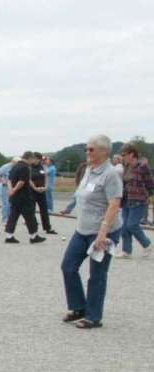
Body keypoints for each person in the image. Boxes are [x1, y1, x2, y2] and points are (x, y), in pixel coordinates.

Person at [61, 135, 123, 328]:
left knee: (97, 274)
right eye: (87, 149)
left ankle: (93, 316)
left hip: (103, 231)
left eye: (91, 149)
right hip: (83, 229)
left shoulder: (111, 174)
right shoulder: (89, 169)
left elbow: (114, 204)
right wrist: (70, 208)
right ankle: (79, 306)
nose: (87, 152)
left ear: (104, 151)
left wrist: (103, 232)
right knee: (68, 266)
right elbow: (81, 194)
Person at [117, 142, 153, 258]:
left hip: (139, 200)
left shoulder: (143, 166)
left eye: (124, 154)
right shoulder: (126, 166)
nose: (122, 157)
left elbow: (150, 184)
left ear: (132, 154)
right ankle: (126, 251)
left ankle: (147, 244)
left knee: (132, 225)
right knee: (124, 227)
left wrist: (147, 195)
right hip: (126, 200)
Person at [4, 152, 46, 244]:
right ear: (29, 158)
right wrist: (14, 190)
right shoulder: (26, 167)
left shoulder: (15, 166)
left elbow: (9, 180)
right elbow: (22, 182)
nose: (32, 161)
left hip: (14, 197)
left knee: (13, 216)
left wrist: (11, 190)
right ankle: (33, 236)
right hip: (23, 197)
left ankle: (9, 236)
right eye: (32, 159)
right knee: (30, 216)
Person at [30, 152, 57, 235]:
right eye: (33, 158)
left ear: (39, 159)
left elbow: (45, 177)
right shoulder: (30, 168)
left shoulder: (43, 167)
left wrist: (45, 186)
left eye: (35, 158)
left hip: (42, 191)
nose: (34, 160)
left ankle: (47, 228)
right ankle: (33, 228)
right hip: (32, 191)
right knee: (31, 210)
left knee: (44, 210)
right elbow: (28, 179)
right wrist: (35, 188)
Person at [0, 157, 18, 223]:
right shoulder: (6, 166)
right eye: (15, 163)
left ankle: (10, 218)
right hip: (5, 187)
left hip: (12, 186)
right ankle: (5, 219)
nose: (16, 165)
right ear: (12, 162)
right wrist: (2, 180)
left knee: (11, 203)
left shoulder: (16, 167)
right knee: (6, 203)